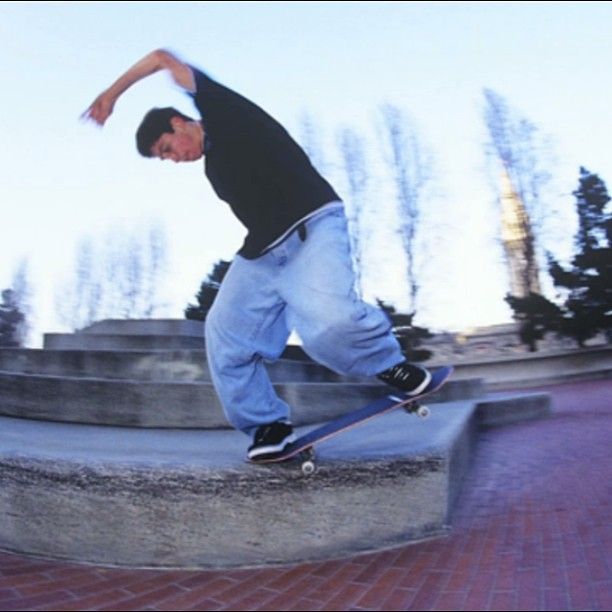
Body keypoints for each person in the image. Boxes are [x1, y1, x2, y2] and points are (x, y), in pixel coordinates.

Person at [82, 49, 432, 461]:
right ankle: (267, 423)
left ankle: (391, 366)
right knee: (224, 332)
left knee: (327, 324)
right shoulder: (213, 166)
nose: (174, 159)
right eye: (165, 158)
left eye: (167, 148)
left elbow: (161, 58)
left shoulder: (222, 109)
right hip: (264, 253)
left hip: (312, 228)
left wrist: (112, 93)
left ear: (179, 123)